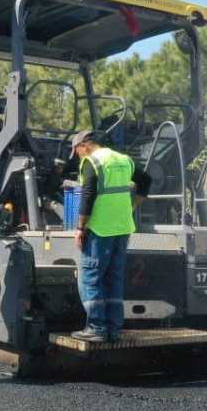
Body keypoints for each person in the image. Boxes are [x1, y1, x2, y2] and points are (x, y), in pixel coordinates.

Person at [71, 130, 153, 342]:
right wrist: (132, 206)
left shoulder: (92, 162)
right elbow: (146, 180)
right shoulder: (123, 159)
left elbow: (88, 195)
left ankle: (96, 328)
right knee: (114, 278)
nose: (78, 156)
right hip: (122, 228)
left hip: (100, 229)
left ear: (84, 146)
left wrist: (80, 227)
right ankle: (114, 329)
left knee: (90, 278)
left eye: (77, 152)